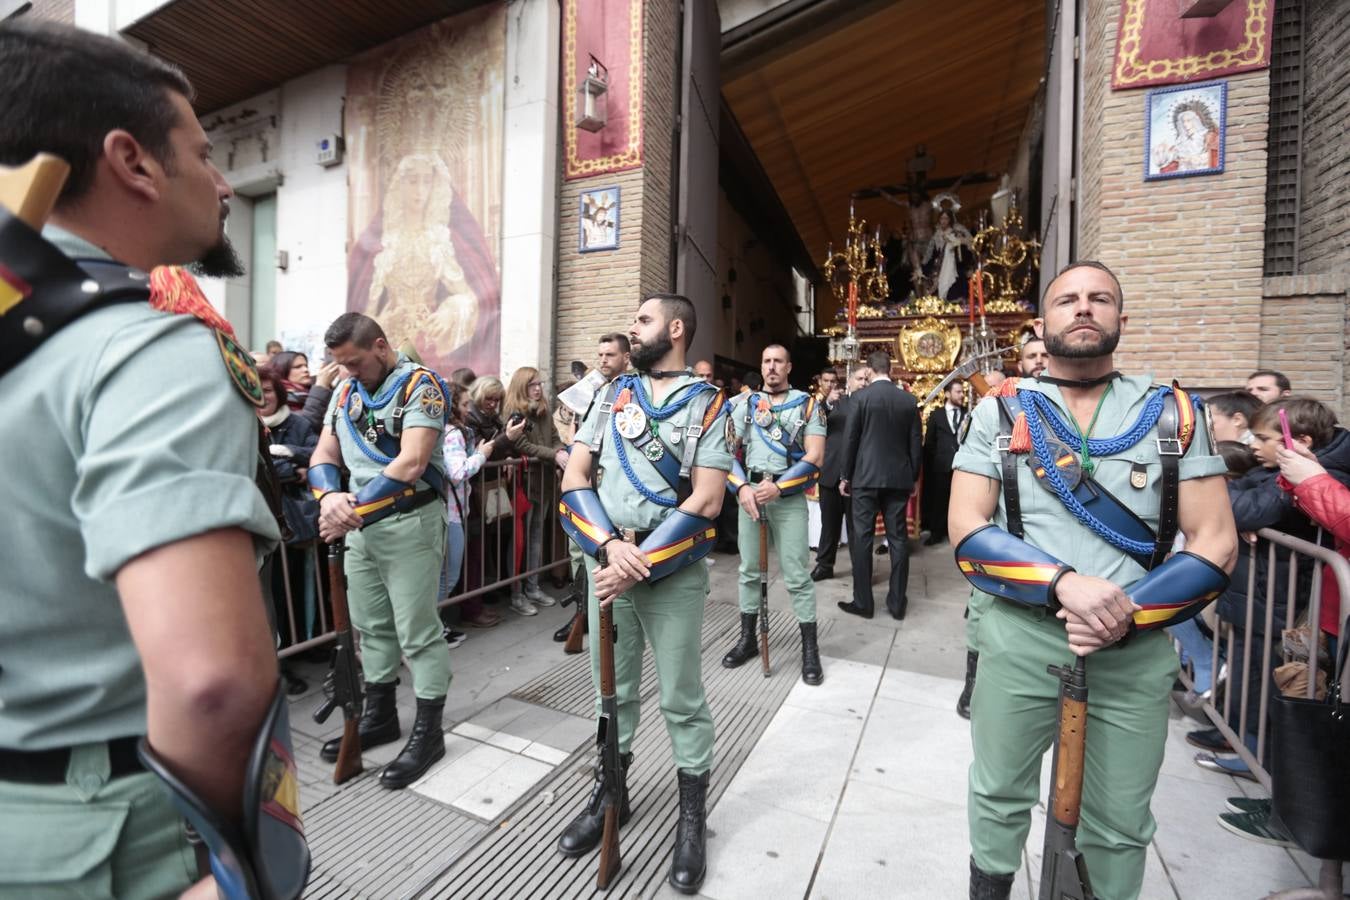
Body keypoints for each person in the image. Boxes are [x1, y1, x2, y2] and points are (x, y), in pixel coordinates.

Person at [0, 19, 302, 898]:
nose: (218, 182)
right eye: (203, 154)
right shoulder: (146, 350)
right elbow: (210, 682)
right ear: (132, 161)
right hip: (110, 833)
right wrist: (240, 868)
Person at [948, 260, 1236, 900]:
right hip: (1021, 638)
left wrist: (1124, 610)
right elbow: (966, 528)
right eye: (1067, 300)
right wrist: (1065, 586)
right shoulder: (1002, 412)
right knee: (997, 796)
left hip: (1133, 650)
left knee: (1119, 824)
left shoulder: (1174, 415)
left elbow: (1216, 541)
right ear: (1043, 322)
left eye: (1099, 299)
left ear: (1120, 319)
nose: (1083, 309)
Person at [556, 294, 729, 894]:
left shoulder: (709, 406)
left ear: (676, 329)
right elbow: (575, 476)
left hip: (671, 571)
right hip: (608, 564)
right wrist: (608, 548)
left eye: (645, 320)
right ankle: (611, 792)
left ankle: (690, 816)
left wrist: (639, 561)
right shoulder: (610, 395)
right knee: (611, 692)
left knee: (681, 697)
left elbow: (707, 499)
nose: (634, 328)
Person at [309, 312, 452, 789]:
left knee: (417, 632)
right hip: (360, 528)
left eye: (354, 361)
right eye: (340, 364)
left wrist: (348, 512)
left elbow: (412, 461)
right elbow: (323, 456)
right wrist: (330, 498)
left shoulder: (421, 386)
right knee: (371, 629)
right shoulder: (347, 392)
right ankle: (381, 715)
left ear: (380, 345)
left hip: (408, 522)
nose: (347, 372)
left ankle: (429, 731)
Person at [721, 345, 828, 685]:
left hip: (788, 500)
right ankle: (748, 639)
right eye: (766, 361)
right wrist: (742, 489)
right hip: (751, 497)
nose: (771, 367)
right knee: (749, 571)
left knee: (797, 575)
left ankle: (809, 649)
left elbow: (815, 456)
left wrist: (780, 488)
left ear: (789, 366)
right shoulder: (744, 406)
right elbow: (725, 453)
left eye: (778, 361)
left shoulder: (809, 405)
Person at [555, 333, 633, 643]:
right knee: (579, 556)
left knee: (605, 560)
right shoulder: (591, 390)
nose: (602, 360)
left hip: (609, 490)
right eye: (600, 354)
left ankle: (607, 621)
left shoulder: (630, 394)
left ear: (625, 358)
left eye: (610, 355)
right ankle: (582, 614)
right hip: (583, 489)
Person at [838, 350, 923, 620]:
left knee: (862, 539)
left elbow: (850, 439)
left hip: (864, 477)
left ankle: (863, 602)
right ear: (891, 370)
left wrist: (845, 475)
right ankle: (897, 603)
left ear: (870, 371)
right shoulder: (908, 400)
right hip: (898, 479)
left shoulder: (860, 398)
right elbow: (915, 444)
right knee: (897, 539)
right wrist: (913, 477)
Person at [503, 366, 565, 616]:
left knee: (537, 536)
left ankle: (533, 586)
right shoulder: (514, 413)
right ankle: (516, 594)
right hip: (524, 483)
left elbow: (554, 436)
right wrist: (555, 455)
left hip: (545, 482)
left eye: (540, 383)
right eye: (532, 385)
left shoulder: (544, 411)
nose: (538, 388)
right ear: (521, 387)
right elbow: (522, 444)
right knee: (519, 540)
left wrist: (560, 451)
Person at [441, 383, 498, 646]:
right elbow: (457, 472)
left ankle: (434, 624)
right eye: (464, 405)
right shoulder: (452, 433)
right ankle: (432, 626)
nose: (467, 410)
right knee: (449, 575)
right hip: (450, 514)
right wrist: (481, 455)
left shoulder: (447, 431)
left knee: (445, 574)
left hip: (450, 510)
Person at [813, 366, 870, 581]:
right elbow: (815, 418)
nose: (863, 382)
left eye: (867, 379)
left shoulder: (871, 405)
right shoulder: (836, 402)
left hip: (858, 476)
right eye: (859, 378)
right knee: (829, 525)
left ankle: (860, 570)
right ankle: (824, 566)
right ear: (850, 380)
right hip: (830, 472)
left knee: (858, 529)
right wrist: (826, 401)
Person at [921, 380, 966, 546]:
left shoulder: (967, 413)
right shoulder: (936, 415)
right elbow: (930, 442)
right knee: (938, 500)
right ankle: (936, 533)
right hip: (941, 466)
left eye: (962, 392)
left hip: (962, 467)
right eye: (958, 392)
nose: (961, 395)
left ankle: (959, 534)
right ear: (947, 394)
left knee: (961, 502)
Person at [272, 349, 342, 430]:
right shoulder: (279, 398)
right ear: (282, 370)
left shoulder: (312, 390)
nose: (305, 370)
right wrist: (321, 386)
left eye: (306, 366)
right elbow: (306, 424)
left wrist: (328, 386)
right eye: (298, 367)